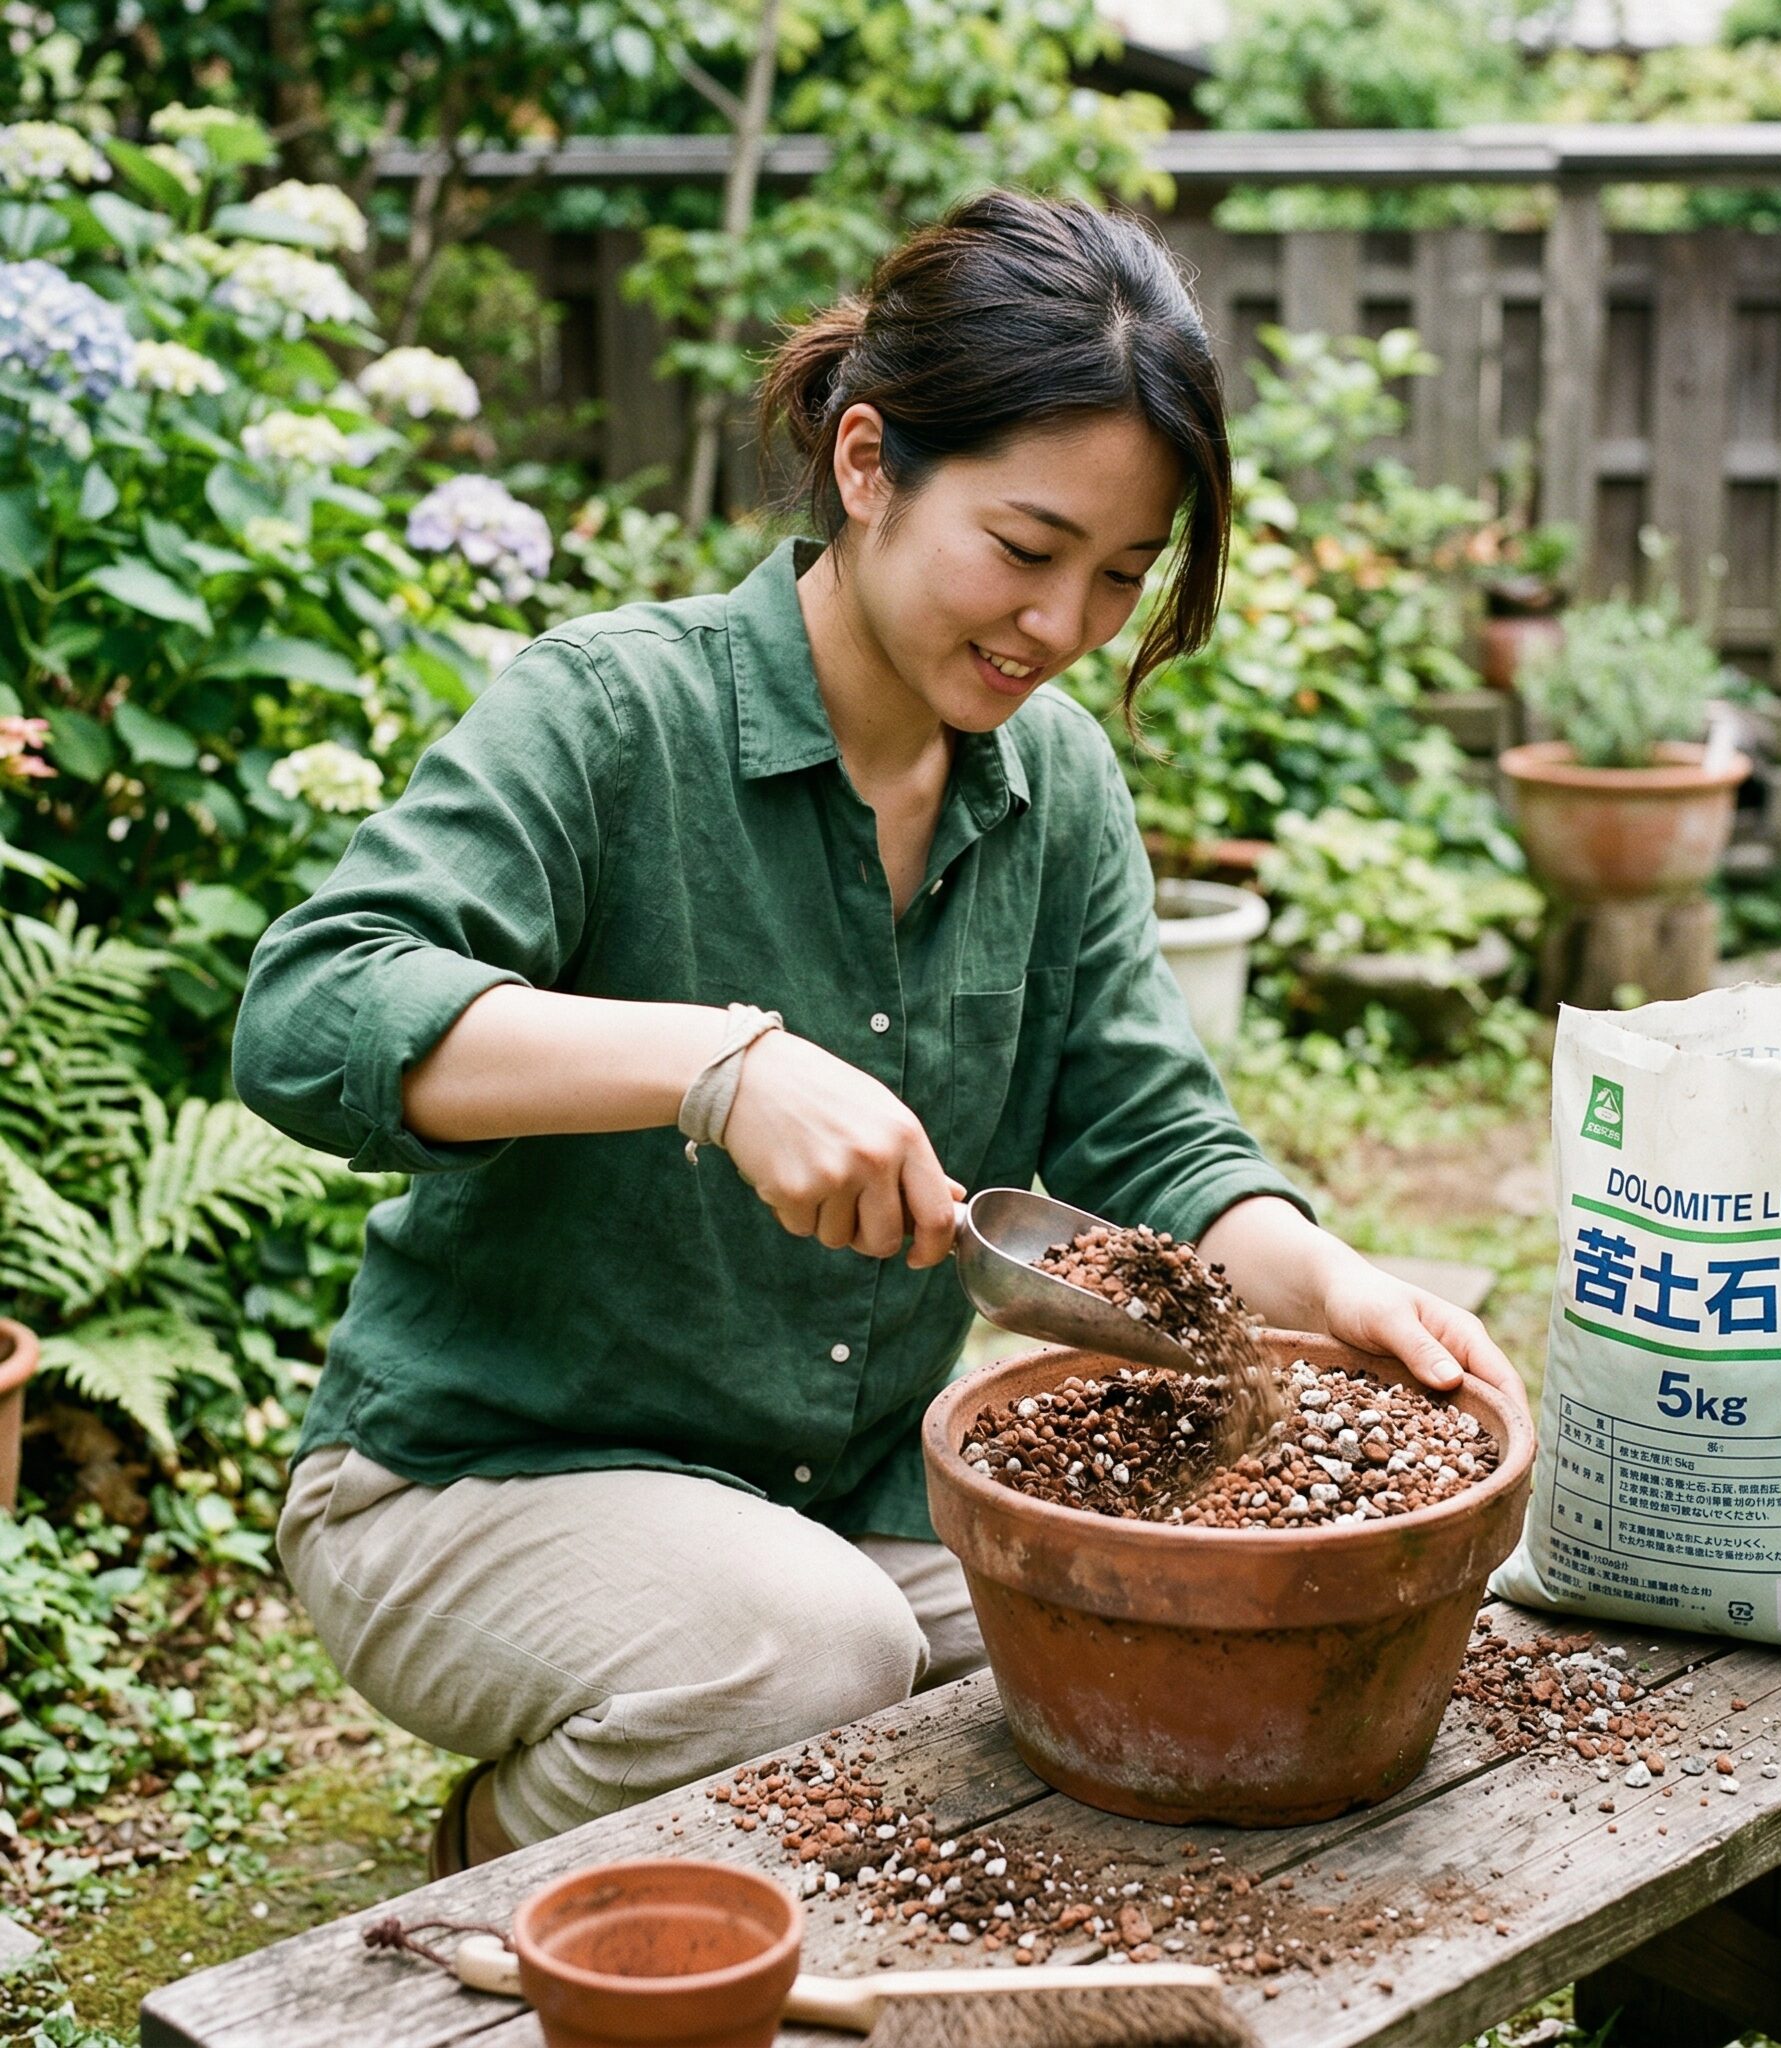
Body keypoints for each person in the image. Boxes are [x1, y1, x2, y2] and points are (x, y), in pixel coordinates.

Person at [233, 189, 1531, 1877]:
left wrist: (1338, 1289)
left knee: (1192, 1627)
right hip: (469, 1483)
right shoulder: (616, 713)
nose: (1064, 629)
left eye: (1121, 578)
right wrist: (721, 1070)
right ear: (868, 465)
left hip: (839, 1516)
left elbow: (1154, 1137)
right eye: (1025, 548)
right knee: (816, 1658)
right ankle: (501, 1853)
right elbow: (314, 1004)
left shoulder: (1053, 787)